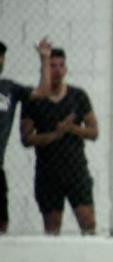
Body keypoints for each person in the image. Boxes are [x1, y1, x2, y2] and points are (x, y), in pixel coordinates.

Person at [19, 47, 98, 236]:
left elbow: (94, 132)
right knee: (52, 230)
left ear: (66, 69)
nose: (56, 70)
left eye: (60, 65)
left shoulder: (78, 96)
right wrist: (54, 135)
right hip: (48, 173)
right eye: (52, 65)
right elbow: (26, 138)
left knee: (88, 224)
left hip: (76, 170)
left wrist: (72, 129)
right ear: (43, 70)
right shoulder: (34, 99)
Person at [0, 39, 52, 234]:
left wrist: (44, 59)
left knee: (2, 222)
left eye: (2, 57)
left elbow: (43, 92)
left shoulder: (9, 88)